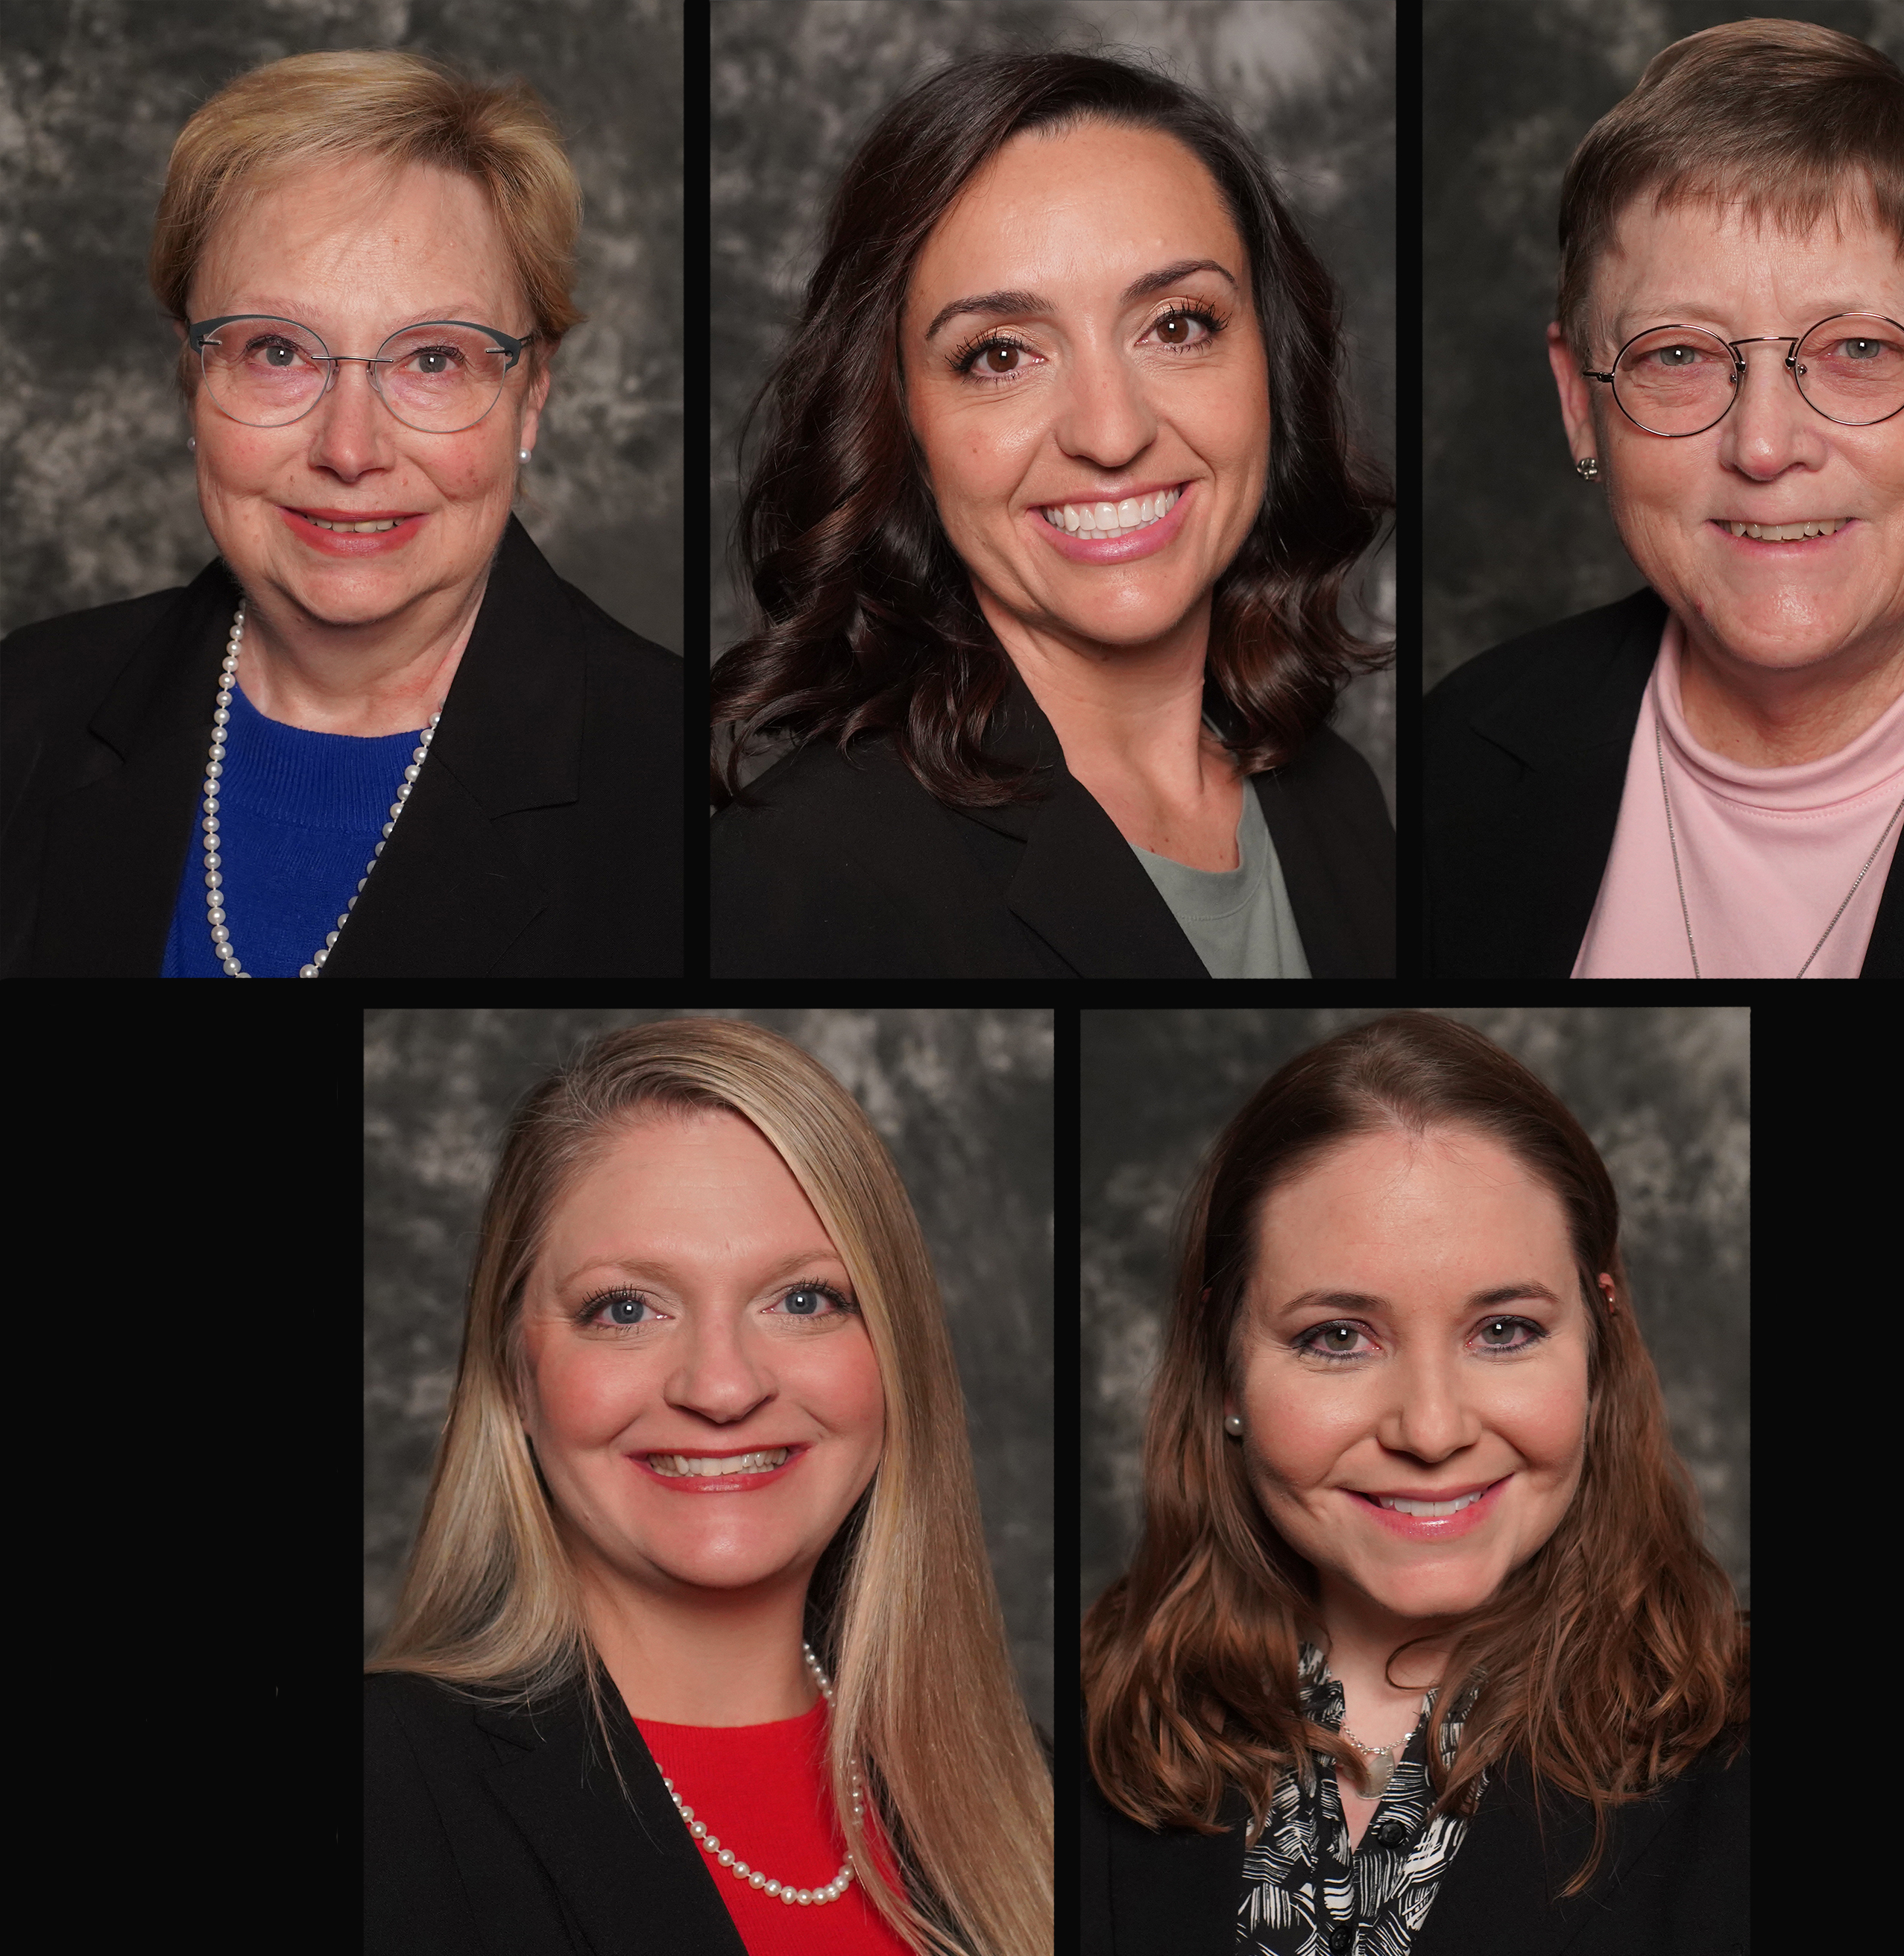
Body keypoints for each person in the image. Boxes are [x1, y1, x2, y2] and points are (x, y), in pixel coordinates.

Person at [1423, 19, 1904, 980]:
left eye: (1859, 350)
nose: (1760, 446)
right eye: (1675, 355)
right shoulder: (1457, 749)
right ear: (1580, 402)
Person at [365, 1018, 1053, 1955]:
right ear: (514, 1375)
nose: (722, 1387)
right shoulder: (384, 1787)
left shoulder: (1039, 1799)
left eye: (804, 1299)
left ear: (896, 1355)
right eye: (626, 1307)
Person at [710, 48, 1395, 979]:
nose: (1110, 433)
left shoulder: (1339, 802)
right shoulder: (800, 878)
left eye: (1177, 324)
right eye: (1000, 356)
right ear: (898, 420)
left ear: (1272, 367)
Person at [0, 49, 681, 977]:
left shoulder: (689, 780)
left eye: (433, 359)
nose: (350, 450)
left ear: (532, 392)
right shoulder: (27, 703)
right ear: (194, 373)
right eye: (278, 350)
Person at [1080, 1012, 1748, 1955]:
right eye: (1337, 1337)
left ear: (1599, 1346)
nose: (1430, 1430)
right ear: (1224, 1369)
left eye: (1505, 1329)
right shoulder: (1070, 1757)